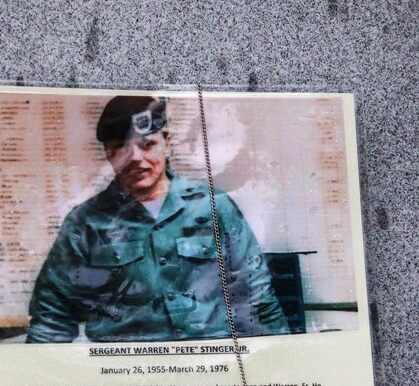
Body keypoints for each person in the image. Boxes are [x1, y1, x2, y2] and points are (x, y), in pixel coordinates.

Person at [26, 95, 288, 343]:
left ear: (167, 143)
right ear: (107, 153)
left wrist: (277, 367)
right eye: (120, 148)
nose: (136, 158)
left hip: (209, 369)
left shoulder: (214, 207)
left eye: (147, 144)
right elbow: (52, 317)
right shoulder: (85, 223)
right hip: (128, 377)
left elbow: (256, 301)